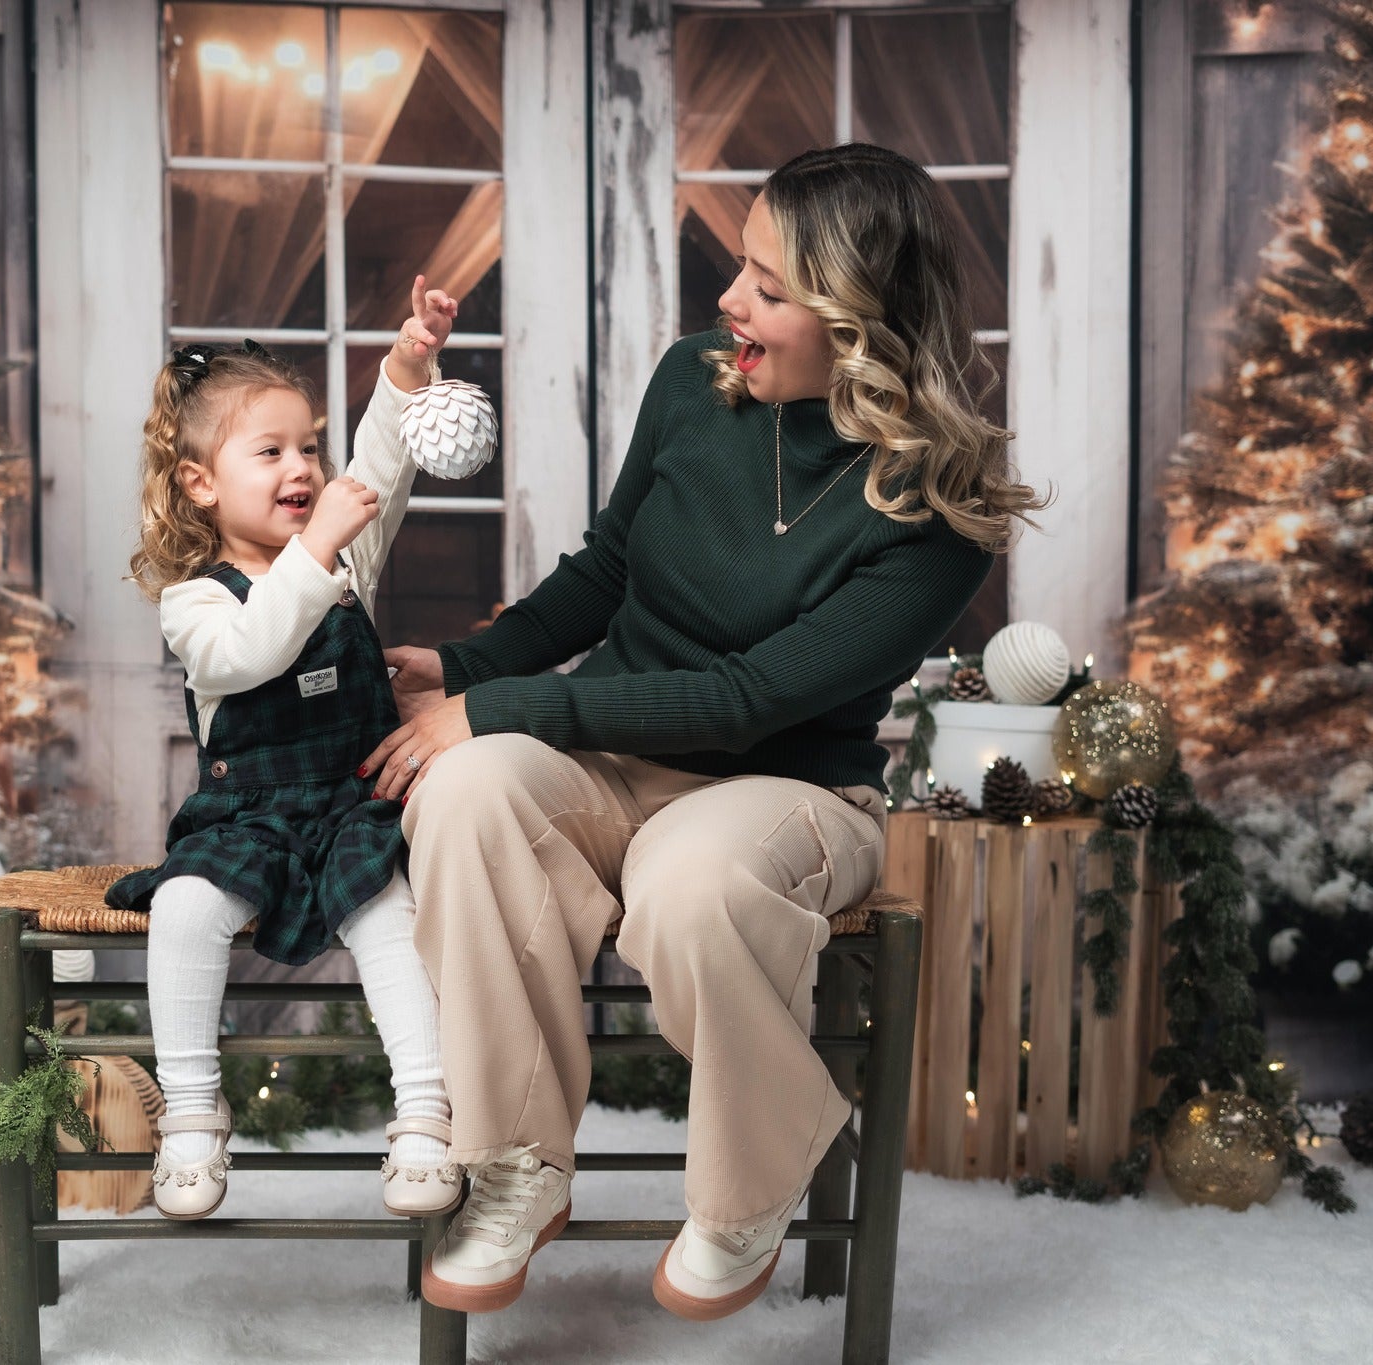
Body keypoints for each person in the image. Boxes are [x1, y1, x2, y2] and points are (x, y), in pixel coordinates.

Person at [361, 144, 1047, 1318]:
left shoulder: (936, 512)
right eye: (741, 267)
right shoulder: (697, 379)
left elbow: (747, 699)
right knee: (465, 790)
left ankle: (751, 1179)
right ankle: (515, 1163)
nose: (730, 302)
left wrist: (499, 704)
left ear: (860, 322)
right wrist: (462, 670)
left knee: (690, 885)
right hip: (610, 761)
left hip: (789, 792)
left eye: (769, 289)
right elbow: (605, 571)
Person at [110, 278, 470, 1222]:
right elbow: (252, 648)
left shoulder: (339, 554)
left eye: (308, 444)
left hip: (351, 806)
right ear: (201, 482)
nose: (302, 465)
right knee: (185, 907)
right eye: (268, 450)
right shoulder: (196, 598)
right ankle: (191, 1113)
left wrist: (408, 366)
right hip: (250, 816)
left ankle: (426, 1115)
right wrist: (320, 554)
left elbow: (379, 467)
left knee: (391, 916)